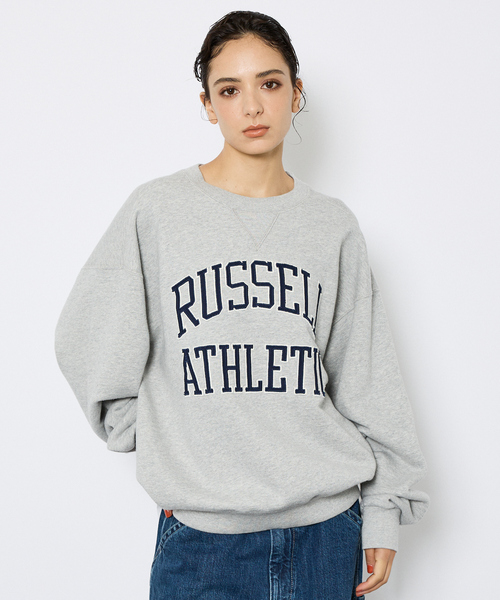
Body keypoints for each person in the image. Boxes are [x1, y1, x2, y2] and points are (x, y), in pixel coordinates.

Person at [54, 10, 429, 600]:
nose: (252, 106)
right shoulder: (156, 212)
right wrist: (160, 435)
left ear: (296, 93)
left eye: (269, 84)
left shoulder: (331, 225)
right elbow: (86, 338)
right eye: (230, 90)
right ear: (208, 105)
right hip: (201, 544)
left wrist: (384, 510)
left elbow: (367, 375)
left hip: (327, 533)